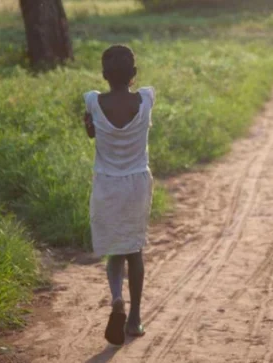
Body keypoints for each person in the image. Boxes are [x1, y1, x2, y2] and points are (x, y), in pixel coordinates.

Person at [82, 44, 154, 343]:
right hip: (136, 183)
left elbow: (91, 132)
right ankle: (134, 319)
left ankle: (116, 300)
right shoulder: (146, 99)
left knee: (114, 249)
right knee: (134, 250)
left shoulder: (93, 101)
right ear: (134, 73)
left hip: (107, 184)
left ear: (104, 75)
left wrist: (90, 124)